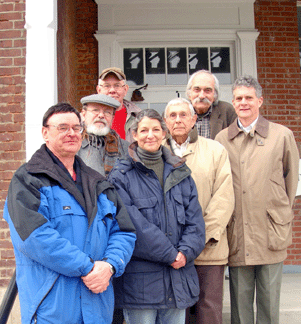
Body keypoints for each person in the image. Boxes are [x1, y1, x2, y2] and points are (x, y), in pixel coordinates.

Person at [3, 103, 136, 324]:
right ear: (45, 132)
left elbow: (124, 231)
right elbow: (35, 237)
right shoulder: (27, 180)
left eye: (76, 128)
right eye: (63, 127)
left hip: (97, 307)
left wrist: (111, 265)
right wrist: (88, 267)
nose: (71, 133)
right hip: (51, 308)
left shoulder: (98, 183)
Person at [108, 109, 206, 324]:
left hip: (178, 278)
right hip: (141, 285)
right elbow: (133, 224)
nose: (149, 135)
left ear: (164, 133)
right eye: (143, 130)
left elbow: (195, 221)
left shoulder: (180, 171)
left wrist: (185, 253)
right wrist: (170, 255)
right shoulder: (121, 175)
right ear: (134, 134)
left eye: (155, 129)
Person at [215, 76, 299, 324]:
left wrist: (278, 215)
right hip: (237, 234)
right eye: (239, 98)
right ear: (233, 102)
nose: (244, 103)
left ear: (259, 101)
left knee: (269, 306)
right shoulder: (222, 139)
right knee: (240, 310)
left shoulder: (282, 135)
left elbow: (290, 182)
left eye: (249, 98)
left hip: (270, 232)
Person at [163, 98, 235, 324]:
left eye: (184, 115)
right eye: (172, 115)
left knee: (208, 310)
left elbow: (223, 198)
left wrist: (197, 239)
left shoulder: (215, 150)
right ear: (165, 121)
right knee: (176, 310)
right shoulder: (156, 151)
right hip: (170, 250)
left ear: (194, 119)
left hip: (208, 249)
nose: (178, 120)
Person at [78, 93, 129, 177]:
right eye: (95, 110)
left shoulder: (125, 148)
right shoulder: (73, 145)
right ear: (83, 114)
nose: (101, 115)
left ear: (112, 118)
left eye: (107, 112)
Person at [186, 69, 236, 139]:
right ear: (189, 94)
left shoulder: (228, 112)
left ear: (215, 95)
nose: (201, 96)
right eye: (197, 89)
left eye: (207, 90)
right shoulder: (178, 112)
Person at [96, 67, 141, 142]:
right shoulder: (88, 118)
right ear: (99, 90)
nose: (112, 90)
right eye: (107, 86)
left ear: (125, 89)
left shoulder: (139, 117)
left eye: (117, 85)